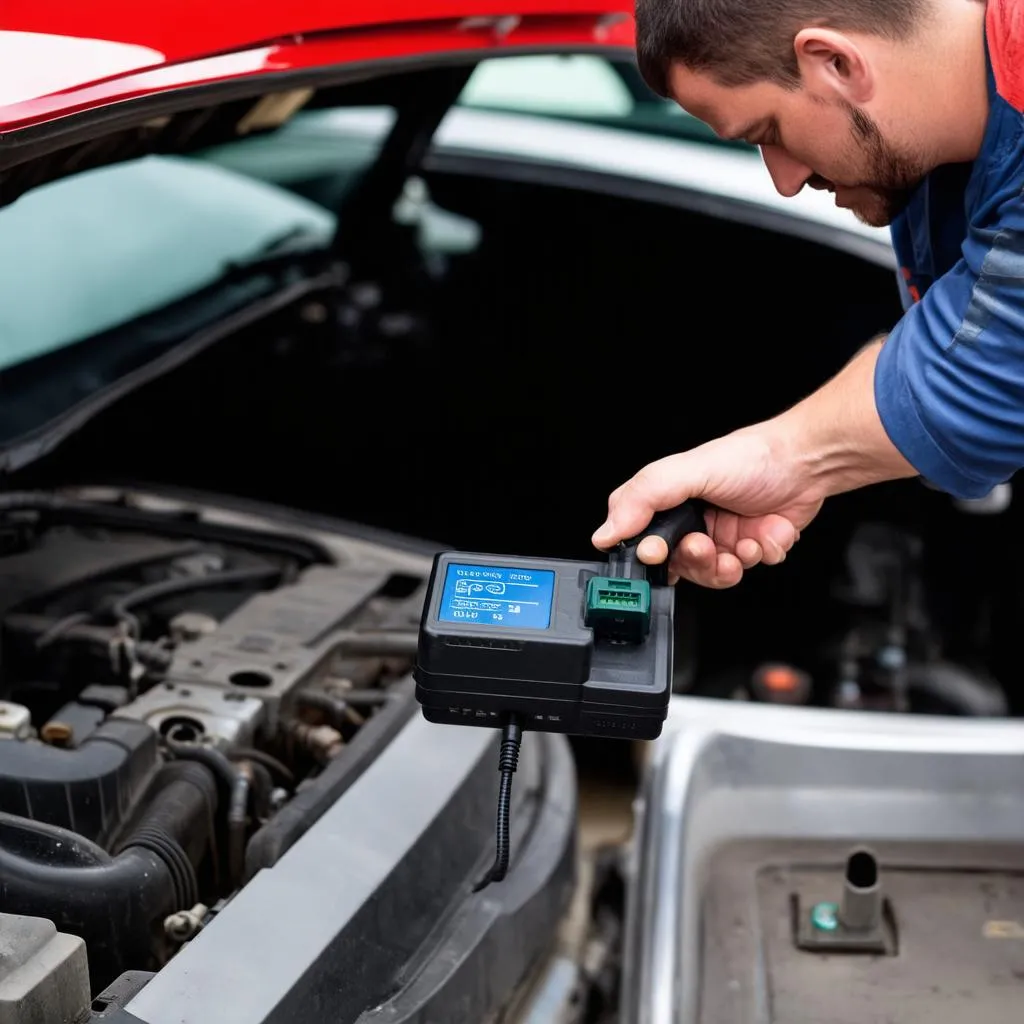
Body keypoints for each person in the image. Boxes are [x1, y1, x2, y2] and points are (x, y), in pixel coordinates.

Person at [592, 0, 1024, 588]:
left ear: (836, 63)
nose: (786, 180)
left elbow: (985, 379)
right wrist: (790, 463)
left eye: (768, 132)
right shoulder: (941, 149)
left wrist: (789, 457)